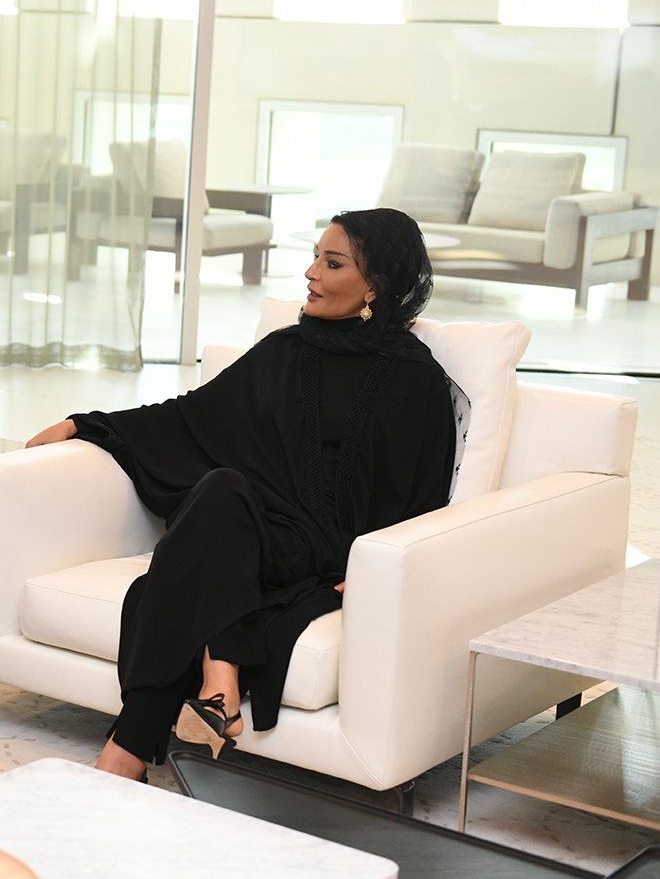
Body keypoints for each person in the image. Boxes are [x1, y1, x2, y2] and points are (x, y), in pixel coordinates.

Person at [27, 208, 457, 779]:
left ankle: (133, 745)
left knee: (175, 571)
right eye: (314, 258)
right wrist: (84, 426)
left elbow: (424, 494)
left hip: (330, 549)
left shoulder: (415, 379)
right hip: (260, 533)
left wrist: (376, 566)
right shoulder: (286, 350)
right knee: (221, 492)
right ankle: (217, 685)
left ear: (375, 285)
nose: (311, 273)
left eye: (332, 264)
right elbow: (190, 417)